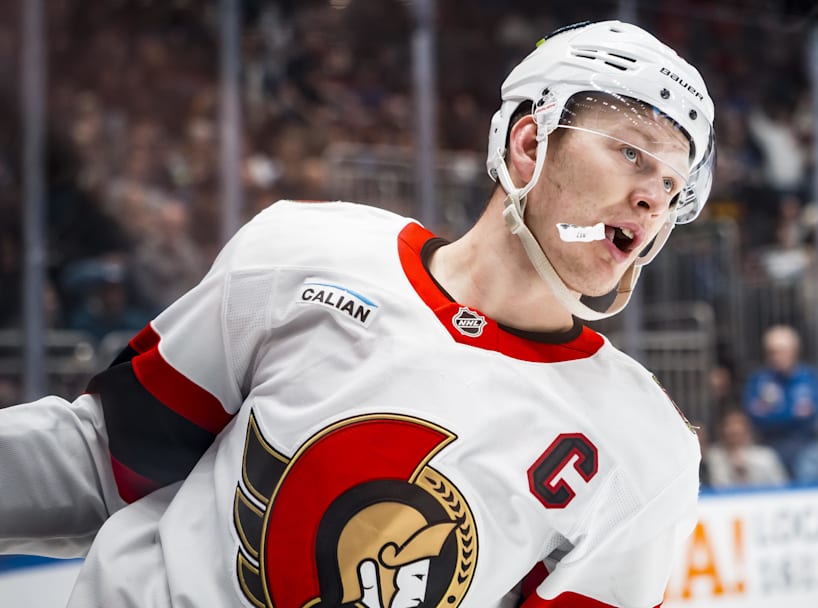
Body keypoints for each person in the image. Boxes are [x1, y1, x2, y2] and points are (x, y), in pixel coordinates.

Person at [0, 20, 715, 608]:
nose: (654, 199)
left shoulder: (645, 454)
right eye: (632, 153)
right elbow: (105, 459)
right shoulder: (308, 251)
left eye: (673, 183)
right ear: (529, 144)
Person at [741, 324, 818, 473]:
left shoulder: (811, 377)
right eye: (771, 352)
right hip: (768, 444)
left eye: (781, 351)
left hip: (807, 443)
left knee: (813, 460)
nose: (776, 356)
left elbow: (816, 414)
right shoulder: (758, 380)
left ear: (794, 351)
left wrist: (774, 413)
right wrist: (794, 414)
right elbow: (755, 417)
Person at [702, 410, 788, 488]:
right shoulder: (714, 456)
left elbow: (781, 486)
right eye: (731, 433)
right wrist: (734, 471)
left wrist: (746, 470)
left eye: (737, 433)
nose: (734, 433)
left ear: (747, 431)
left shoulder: (765, 455)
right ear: (722, 432)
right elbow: (716, 487)